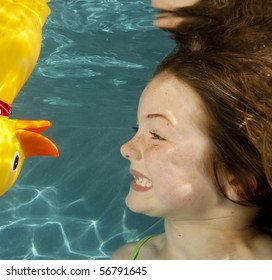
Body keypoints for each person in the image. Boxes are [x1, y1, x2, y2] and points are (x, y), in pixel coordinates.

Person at [110, 50, 272, 259]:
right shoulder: (126, 260)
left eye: (157, 135)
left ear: (241, 180)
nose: (126, 148)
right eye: (137, 129)